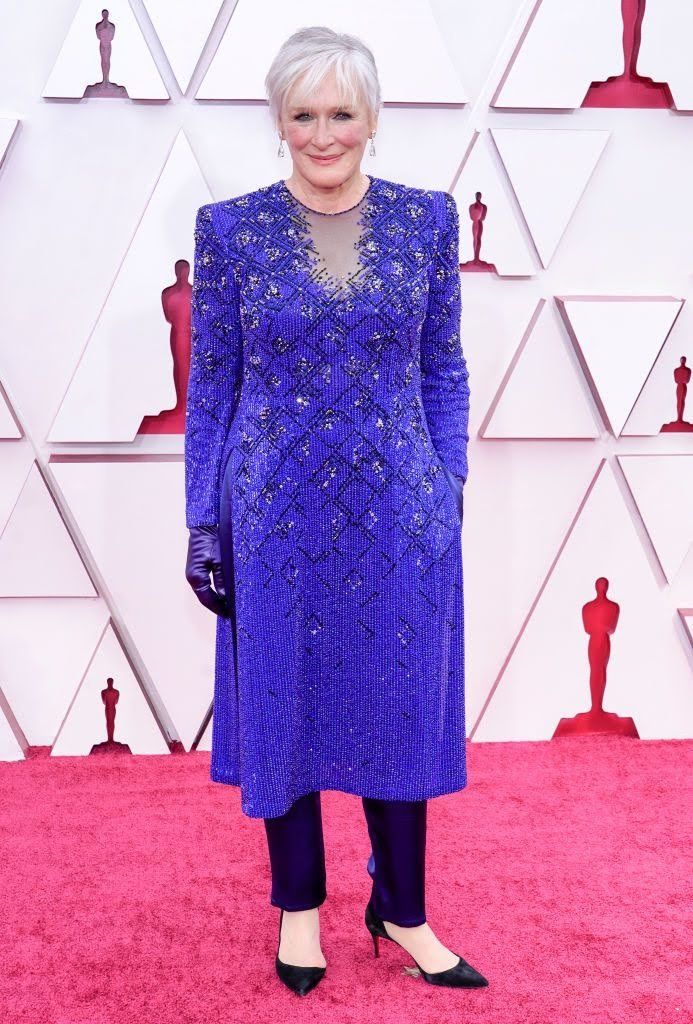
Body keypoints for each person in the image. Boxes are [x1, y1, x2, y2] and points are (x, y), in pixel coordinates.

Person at [184, 25, 487, 996]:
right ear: (279, 121)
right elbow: (214, 386)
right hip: (271, 517)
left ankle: (403, 908)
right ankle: (300, 907)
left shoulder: (429, 222)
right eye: (304, 113)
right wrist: (203, 517)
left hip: (404, 514)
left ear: (372, 119)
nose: (323, 133)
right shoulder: (229, 229)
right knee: (287, 707)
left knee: (403, 710)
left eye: (341, 113)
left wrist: (449, 483)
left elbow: (441, 362)